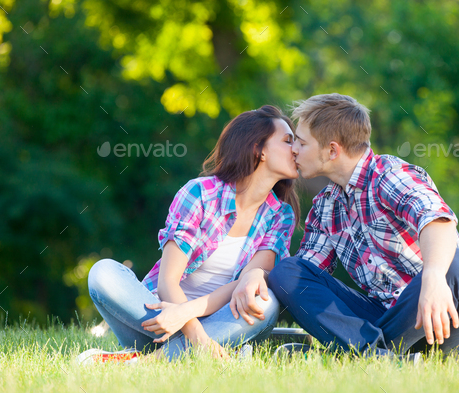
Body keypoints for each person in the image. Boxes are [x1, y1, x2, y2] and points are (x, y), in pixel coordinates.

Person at [268, 93, 459, 360]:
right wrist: (256, 279)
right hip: (387, 318)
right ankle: (376, 356)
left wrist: (433, 278)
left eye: (301, 142)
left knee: (457, 265)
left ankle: (357, 353)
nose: (294, 149)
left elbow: (439, 221)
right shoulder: (326, 205)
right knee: (287, 272)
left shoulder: (389, 176)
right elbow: (307, 279)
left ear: (332, 150)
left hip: (438, 311)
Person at [82, 105, 300, 363]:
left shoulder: (280, 215)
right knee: (103, 272)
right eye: (288, 141)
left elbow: (246, 283)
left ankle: (144, 363)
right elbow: (167, 283)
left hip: (221, 322)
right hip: (157, 319)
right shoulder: (200, 193)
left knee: (266, 302)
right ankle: (190, 352)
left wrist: (185, 313)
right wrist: (200, 339)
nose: (296, 149)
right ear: (258, 149)